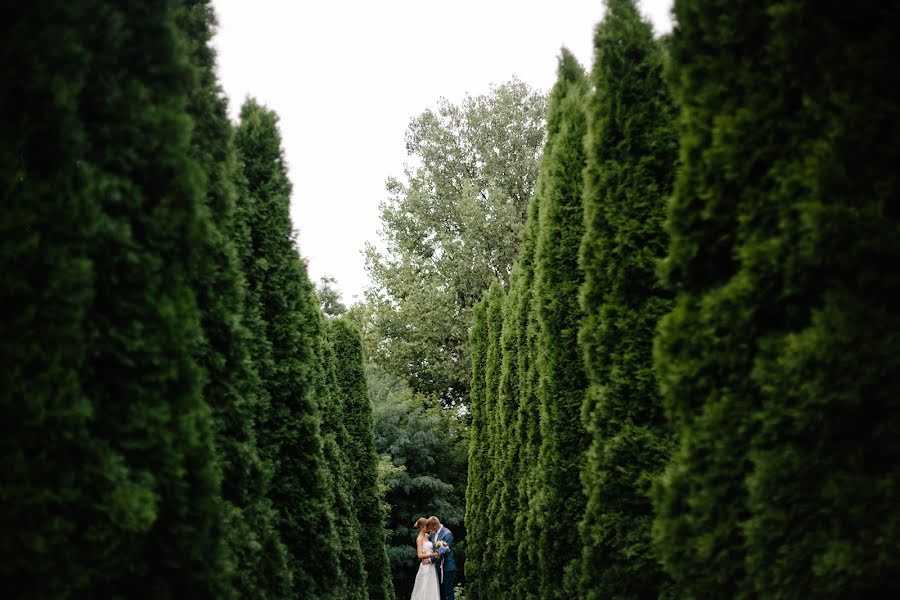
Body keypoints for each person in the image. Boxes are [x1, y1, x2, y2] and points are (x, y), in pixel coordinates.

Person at [410, 517, 441, 600]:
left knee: (432, 586)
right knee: (424, 587)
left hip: (432, 565)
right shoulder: (419, 539)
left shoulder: (428, 535)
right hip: (425, 565)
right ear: (421, 527)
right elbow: (419, 555)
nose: (428, 528)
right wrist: (433, 554)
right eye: (426, 526)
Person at [427, 516, 456, 600]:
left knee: (448, 591)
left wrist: (429, 560)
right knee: (440, 592)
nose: (430, 531)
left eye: (431, 529)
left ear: (435, 526)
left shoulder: (447, 534)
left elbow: (443, 551)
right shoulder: (432, 534)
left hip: (447, 567)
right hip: (437, 568)